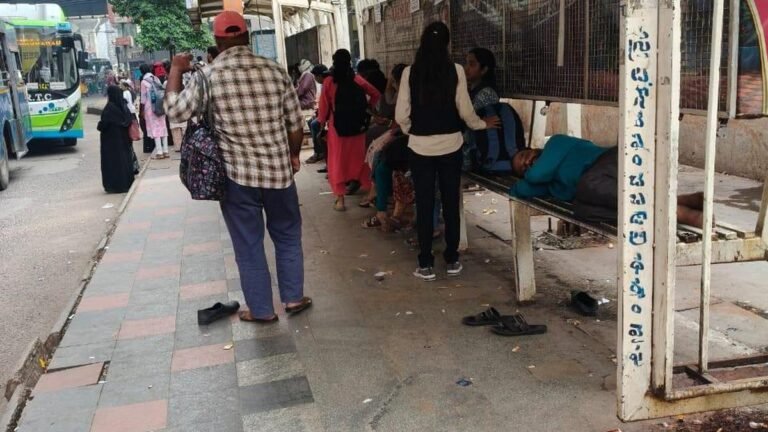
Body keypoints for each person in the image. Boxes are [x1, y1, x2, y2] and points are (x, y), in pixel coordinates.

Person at [165, 11, 311, 323]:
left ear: (218, 41)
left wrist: (177, 70)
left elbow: (175, 113)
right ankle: (294, 298)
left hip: (237, 178)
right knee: (287, 234)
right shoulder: (275, 70)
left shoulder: (208, 76)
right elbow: (295, 125)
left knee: (248, 244)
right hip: (279, 174)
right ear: (246, 36)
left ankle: (261, 310)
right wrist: (294, 156)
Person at [395, 22, 499, 281]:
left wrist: (412, 131)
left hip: (420, 148)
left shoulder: (410, 72)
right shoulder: (456, 71)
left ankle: (425, 263)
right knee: (451, 201)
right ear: (447, 44)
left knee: (426, 200)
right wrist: (480, 124)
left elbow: (401, 115)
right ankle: (452, 259)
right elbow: (465, 110)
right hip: (451, 145)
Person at [510, 135, 708, 227]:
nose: (527, 163)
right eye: (523, 169)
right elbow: (521, 190)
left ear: (534, 148)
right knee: (582, 211)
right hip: (601, 187)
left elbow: (534, 177)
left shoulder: (556, 143)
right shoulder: (551, 182)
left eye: (525, 156)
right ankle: (678, 203)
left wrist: (529, 176)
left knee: (587, 185)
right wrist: (527, 180)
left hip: (612, 162)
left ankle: (676, 213)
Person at [317, 49, 381, 211]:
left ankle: (340, 200)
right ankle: (371, 191)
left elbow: (324, 107)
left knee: (337, 162)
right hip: (357, 129)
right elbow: (375, 94)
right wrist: (366, 109)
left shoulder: (329, 82)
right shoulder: (357, 79)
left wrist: (321, 123)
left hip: (336, 130)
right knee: (360, 159)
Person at [98, 86, 134, 193]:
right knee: (125, 161)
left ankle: (114, 186)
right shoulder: (124, 106)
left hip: (110, 143)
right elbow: (128, 120)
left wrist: (99, 126)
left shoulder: (110, 108)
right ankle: (126, 183)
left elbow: (104, 124)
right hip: (124, 140)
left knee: (112, 163)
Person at [140, 63, 169, 159]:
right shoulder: (156, 78)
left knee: (155, 128)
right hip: (160, 105)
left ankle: (159, 151)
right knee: (163, 127)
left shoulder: (144, 82)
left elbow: (143, 98)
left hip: (150, 108)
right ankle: (166, 151)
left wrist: (142, 111)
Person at [305, 64, 329, 165]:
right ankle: (318, 150)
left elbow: (327, 104)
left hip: (331, 115)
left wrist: (322, 120)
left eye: (315, 76)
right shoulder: (324, 84)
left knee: (314, 124)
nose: (315, 79)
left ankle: (319, 152)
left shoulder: (328, 83)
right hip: (325, 113)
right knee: (311, 121)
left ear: (320, 76)